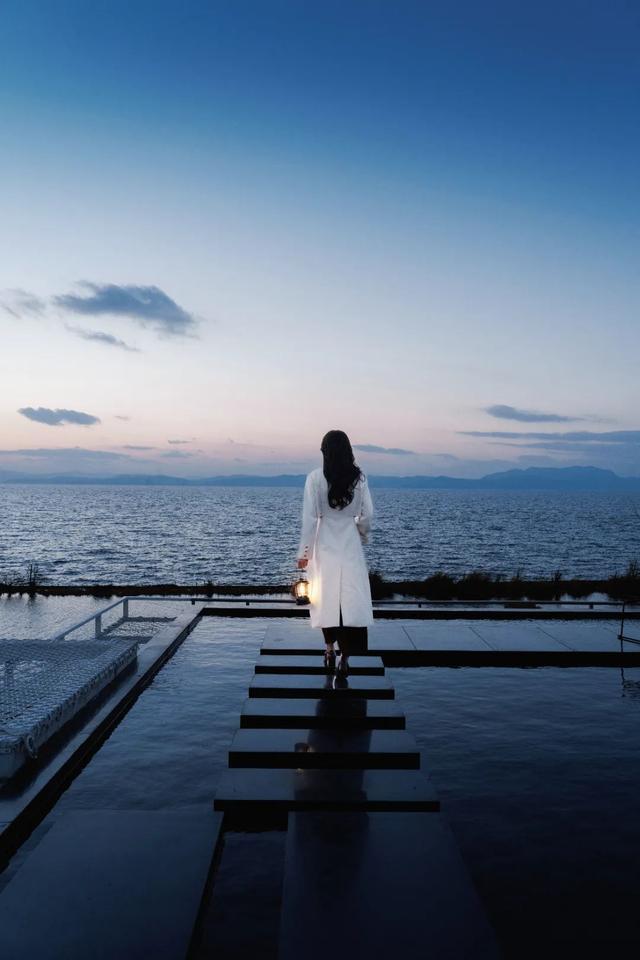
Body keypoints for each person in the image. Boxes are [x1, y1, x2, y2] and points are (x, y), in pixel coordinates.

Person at [297, 430, 374, 676]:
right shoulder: (359, 479)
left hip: (324, 544)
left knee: (325, 599)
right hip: (349, 544)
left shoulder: (314, 478)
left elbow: (309, 519)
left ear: (325, 452)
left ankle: (329, 648)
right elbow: (367, 515)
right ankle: (345, 657)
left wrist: (304, 553)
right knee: (348, 602)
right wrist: (361, 535)